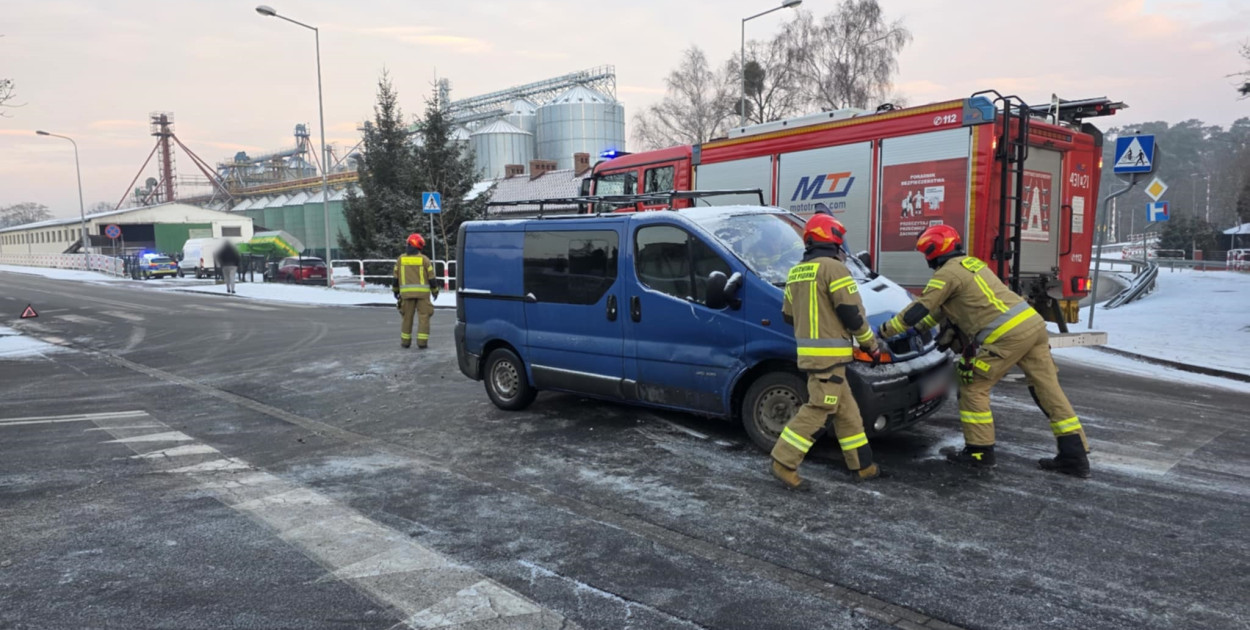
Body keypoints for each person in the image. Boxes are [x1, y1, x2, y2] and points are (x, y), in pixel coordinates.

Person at [878, 224, 1090, 477]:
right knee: (1047, 390)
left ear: (933, 252)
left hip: (1006, 337)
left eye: (926, 254)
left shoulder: (946, 274)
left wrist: (884, 332)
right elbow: (938, 312)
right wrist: (916, 330)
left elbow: (920, 309)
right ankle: (1074, 456)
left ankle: (979, 453)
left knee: (972, 386)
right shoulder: (972, 265)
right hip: (1032, 327)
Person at [770, 214, 883, 490]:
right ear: (833, 240)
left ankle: (863, 466)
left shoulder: (796, 272)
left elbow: (787, 315)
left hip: (814, 355)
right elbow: (851, 313)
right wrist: (870, 345)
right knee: (819, 409)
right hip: (829, 357)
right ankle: (783, 462)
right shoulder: (834, 269)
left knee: (847, 412)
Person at [392, 233, 439, 349]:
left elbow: (395, 278)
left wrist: (395, 291)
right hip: (423, 295)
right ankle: (422, 343)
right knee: (424, 317)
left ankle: (405, 342)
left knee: (406, 318)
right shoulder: (424, 260)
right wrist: (435, 291)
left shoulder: (400, 259)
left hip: (406, 295)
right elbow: (432, 278)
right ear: (420, 245)